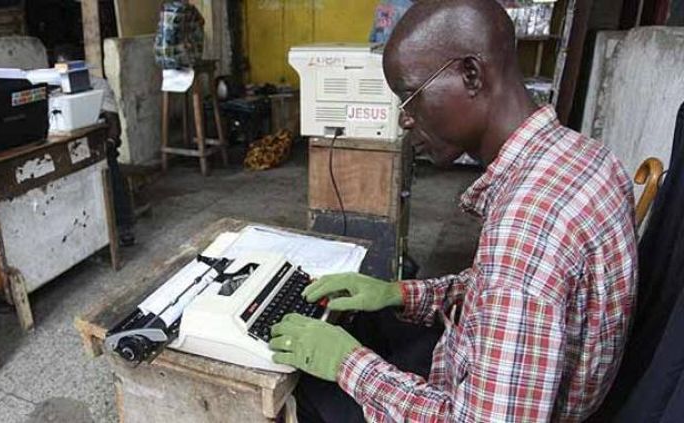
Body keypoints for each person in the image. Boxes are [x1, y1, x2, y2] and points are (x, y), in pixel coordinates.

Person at [268, 1, 638, 422]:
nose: (405, 120)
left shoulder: (527, 228)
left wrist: (348, 365)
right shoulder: (585, 157)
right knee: (360, 325)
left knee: (308, 386)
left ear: (472, 75)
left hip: (477, 402)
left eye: (410, 96)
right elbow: (503, 288)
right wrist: (399, 293)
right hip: (482, 367)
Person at [54, 45, 135, 246]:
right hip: (69, 145)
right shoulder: (55, 91)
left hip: (99, 143)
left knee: (108, 167)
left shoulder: (98, 85)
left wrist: (109, 142)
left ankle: (123, 225)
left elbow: (113, 121)